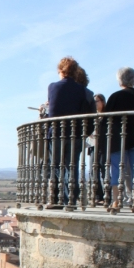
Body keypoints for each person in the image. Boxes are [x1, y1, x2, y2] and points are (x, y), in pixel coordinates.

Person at [102, 67, 134, 211]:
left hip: (118, 139)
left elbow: (107, 120)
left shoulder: (115, 97)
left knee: (117, 169)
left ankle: (116, 201)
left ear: (120, 80)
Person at [47, 57, 92, 206]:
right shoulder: (84, 91)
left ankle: (56, 199)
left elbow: (52, 112)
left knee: (56, 167)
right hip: (76, 134)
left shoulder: (53, 87)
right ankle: (71, 199)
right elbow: (87, 115)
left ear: (61, 70)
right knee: (72, 166)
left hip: (57, 132)